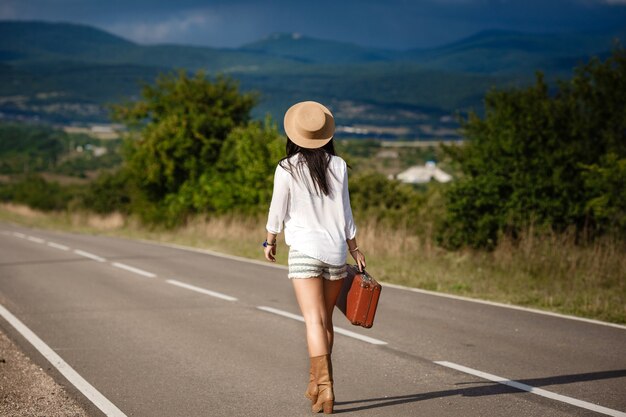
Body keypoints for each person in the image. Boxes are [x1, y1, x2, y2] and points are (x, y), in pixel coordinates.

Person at [263, 101, 366, 414]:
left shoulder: (287, 167)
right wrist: (354, 248)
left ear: (295, 134)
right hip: (335, 252)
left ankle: (326, 388)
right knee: (326, 322)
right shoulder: (339, 165)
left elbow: (276, 210)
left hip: (305, 252)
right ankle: (316, 384)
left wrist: (269, 241)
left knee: (312, 321)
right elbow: (345, 211)